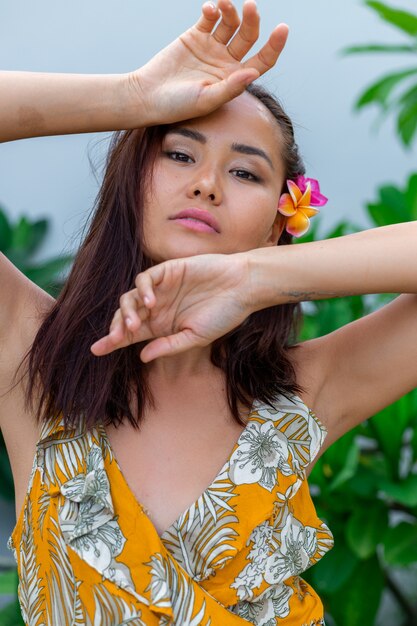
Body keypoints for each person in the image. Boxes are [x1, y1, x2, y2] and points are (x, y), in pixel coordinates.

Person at [1, 1, 417, 624]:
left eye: (246, 171)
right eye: (178, 154)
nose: (207, 184)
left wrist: (253, 277)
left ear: (283, 217)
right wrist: (134, 96)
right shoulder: (31, 358)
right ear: (132, 176)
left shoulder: (308, 391)